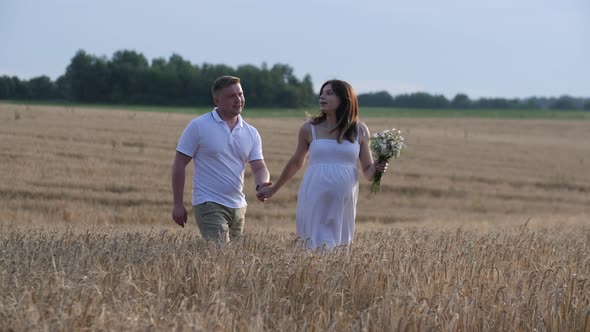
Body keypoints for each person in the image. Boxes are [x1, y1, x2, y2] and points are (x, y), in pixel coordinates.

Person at [256, 79, 387, 249]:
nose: (322, 97)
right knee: (313, 245)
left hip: (343, 203)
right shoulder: (308, 128)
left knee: (339, 249)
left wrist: (378, 168)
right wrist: (273, 189)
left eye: (329, 93)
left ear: (345, 99)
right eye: (322, 93)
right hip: (314, 196)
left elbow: (368, 173)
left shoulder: (359, 130)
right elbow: (296, 162)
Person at [172, 75, 271, 242]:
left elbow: (259, 167)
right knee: (220, 252)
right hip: (208, 202)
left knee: (229, 261)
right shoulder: (198, 126)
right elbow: (179, 164)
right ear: (217, 100)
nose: (238, 99)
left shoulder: (251, 132)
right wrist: (178, 204)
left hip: (239, 206)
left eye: (240, 94)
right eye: (231, 96)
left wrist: (262, 184)